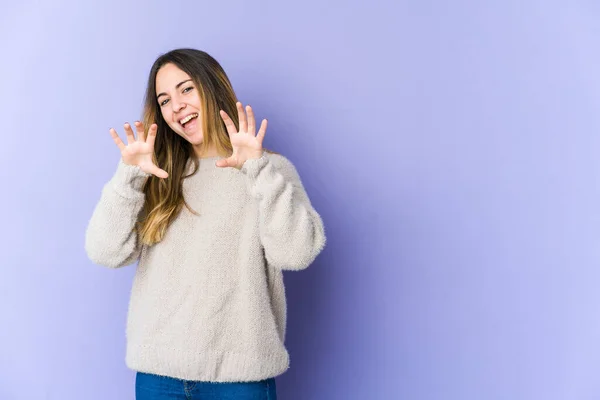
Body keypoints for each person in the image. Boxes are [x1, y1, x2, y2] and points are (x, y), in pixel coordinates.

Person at [84, 48, 326, 400]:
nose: (176, 105)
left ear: (212, 88)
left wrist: (258, 170)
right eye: (164, 99)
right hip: (158, 376)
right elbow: (105, 252)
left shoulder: (268, 170)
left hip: (240, 379)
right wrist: (128, 177)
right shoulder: (156, 175)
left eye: (186, 89)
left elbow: (296, 253)